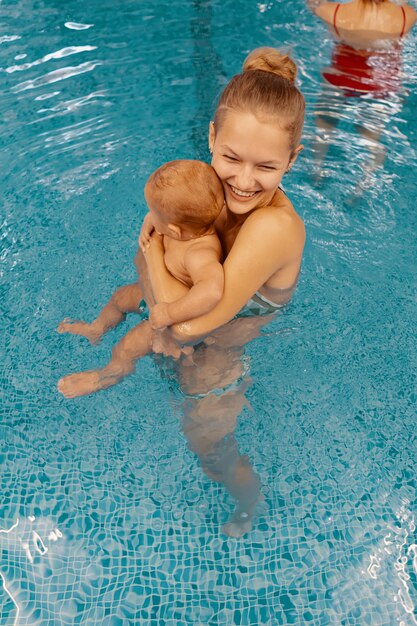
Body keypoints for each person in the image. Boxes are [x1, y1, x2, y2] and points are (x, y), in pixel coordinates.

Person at [136, 47, 307, 536]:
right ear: (211, 138)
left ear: (292, 160)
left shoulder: (274, 226)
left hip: (223, 351)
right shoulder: (205, 186)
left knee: (208, 446)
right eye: (231, 157)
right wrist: (159, 310)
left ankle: (250, 500)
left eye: (266, 167)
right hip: (186, 326)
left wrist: (152, 252)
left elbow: (191, 325)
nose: (244, 181)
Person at [57, 159, 225, 398]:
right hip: (155, 298)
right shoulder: (185, 228)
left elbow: (212, 291)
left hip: (168, 319)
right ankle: (97, 328)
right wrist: (155, 219)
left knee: (124, 349)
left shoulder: (200, 253)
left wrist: (169, 313)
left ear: (175, 231)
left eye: (153, 213)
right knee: (119, 297)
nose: (149, 216)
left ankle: (105, 376)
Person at [307, 0, 416, 195]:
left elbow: (312, 4)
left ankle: (317, 170)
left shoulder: (336, 13)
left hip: (341, 78)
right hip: (380, 85)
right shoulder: (406, 16)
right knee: (372, 138)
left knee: (324, 125)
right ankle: (361, 185)